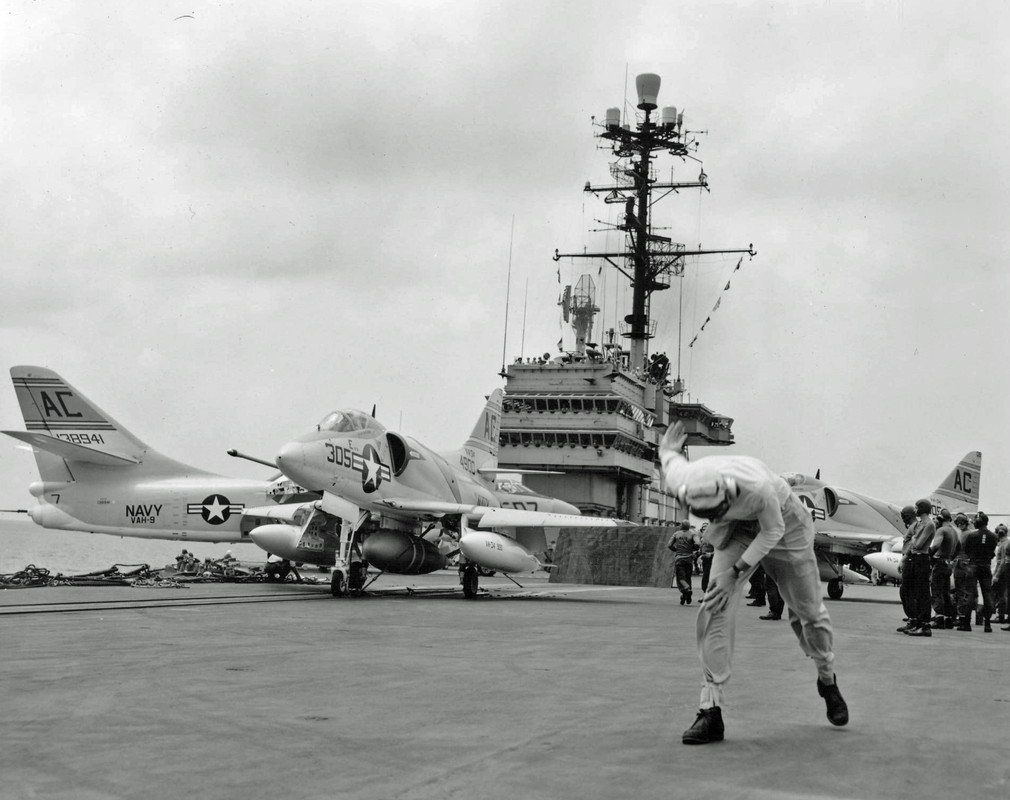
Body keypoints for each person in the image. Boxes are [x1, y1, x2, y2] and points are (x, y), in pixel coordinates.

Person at [659, 421, 847, 745]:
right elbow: (670, 455)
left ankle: (827, 677)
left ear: (729, 493)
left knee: (809, 613)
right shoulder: (683, 479)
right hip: (737, 528)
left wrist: (736, 572)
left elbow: (771, 531)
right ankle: (710, 710)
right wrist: (669, 448)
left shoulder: (757, 488)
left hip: (785, 525)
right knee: (714, 604)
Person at [899, 500, 935, 637]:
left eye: (917, 507)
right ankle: (918, 623)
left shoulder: (930, 524)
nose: (915, 510)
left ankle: (925, 626)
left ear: (922, 509)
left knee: (923, 593)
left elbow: (918, 544)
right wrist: (904, 558)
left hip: (922, 559)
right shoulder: (920, 524)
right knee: (917, 593)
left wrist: (914, 540)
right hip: (915, 559)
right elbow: (913, 543)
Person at [957, 513, 997, 632]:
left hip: (973, 565)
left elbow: (967, 551)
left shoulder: (972, 535)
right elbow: (992, 553)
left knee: (970, 594)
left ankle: (966, 623)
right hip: (986, 566)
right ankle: (987, 624)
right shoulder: (994, 536)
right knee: (987, 594)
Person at [928, 509, 959, 629]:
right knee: (946, 593)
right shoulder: (954, 531)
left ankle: (939, 618)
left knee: (936, 591)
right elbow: (959, 547)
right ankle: (948, 619)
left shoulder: (941, 530)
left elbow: (936, 545)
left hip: (940, 563)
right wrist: (951, 558)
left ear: (940, 519)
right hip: (948, 564)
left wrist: (929, 555)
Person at [667, 520, 700, 605]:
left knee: (681, 577)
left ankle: (686, 589)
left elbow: (669, 545)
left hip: (679, 558)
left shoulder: (676, 534)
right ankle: (686, 594)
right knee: (688, 576)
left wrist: (676, 550)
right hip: (689, 558)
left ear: (682, 525)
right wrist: (691, 549)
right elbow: (697, 544)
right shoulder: (693, 534)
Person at [992, 524, 1009, 627]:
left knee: (1001, 594)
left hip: (1003, 572)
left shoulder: (1003, 545)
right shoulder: (1006, 543)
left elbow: (1002, 561)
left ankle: (1001, 615)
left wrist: (996, 575)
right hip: (1005, 571)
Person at [698, 523, 715, 593]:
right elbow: (701, 549)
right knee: (705, 577)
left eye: (706, 529)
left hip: (711, 560)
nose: (704, 531)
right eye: (703, 530)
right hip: (704, 559)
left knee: (707, 577)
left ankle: (708, 594)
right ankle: (706, 594)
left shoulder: (713, 538)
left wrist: (710, 554)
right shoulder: (702, 539)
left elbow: (718, 551)